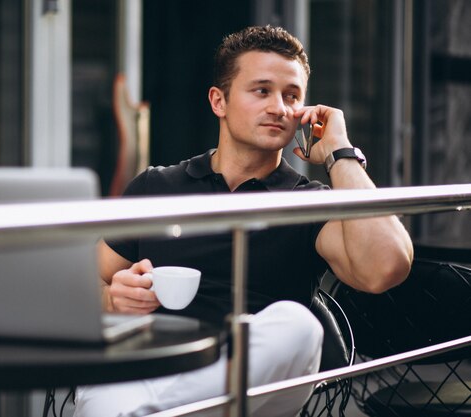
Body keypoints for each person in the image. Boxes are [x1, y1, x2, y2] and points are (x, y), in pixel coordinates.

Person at [73, 25, 414, 417]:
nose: (280, 108)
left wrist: (340, 151)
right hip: (148, 368)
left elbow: (385, 267)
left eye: (292, 96)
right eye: (262, 91)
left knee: (298, 326)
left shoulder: (308, 203)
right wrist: (112, 298)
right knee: (109, 387)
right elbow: (85, 288)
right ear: (219, 101)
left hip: (258, 388)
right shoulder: (156, 186)